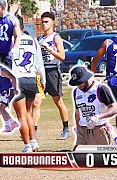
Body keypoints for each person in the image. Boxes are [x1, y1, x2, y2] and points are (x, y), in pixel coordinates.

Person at [12, 15, 46, 152]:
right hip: (31, 79)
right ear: (23, 27)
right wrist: (42, 80)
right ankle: (34, 142)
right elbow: (39, 62)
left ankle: (27, 146)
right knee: (28, 113)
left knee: (21, 115)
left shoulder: (11, 41)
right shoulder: (32, 40)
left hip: (17, 80)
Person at [37, 12, 69, 140]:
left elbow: (62, 56)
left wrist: (50, 50)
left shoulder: (56, 37)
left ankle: (66, 128)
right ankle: (33, 131)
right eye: (42, 22)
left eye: (46, 22)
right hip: (41, 72)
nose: (43, 24)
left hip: (52, 72)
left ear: (52, 23)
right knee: (36, 101)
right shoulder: (39, 39)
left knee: (58, 101)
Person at [69, 66, 117, 145]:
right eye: (76, 84)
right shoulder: (76, 92)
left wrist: (98, 116)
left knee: (100, 156)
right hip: (82, 131)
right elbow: (78, 111)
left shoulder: (100, 88)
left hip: (99, 129)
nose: (78, 86)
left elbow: (114, 108)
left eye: (80, 83)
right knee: (80, 156)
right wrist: (78, 128)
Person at [0, 56, 19, 132]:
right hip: (2, 92)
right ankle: (13, 122)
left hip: (8, 90)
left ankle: (8, 126)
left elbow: (13, 77)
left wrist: (15, 88)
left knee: (1, 108)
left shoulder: (0, 70)